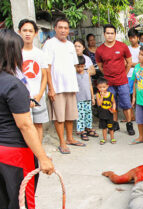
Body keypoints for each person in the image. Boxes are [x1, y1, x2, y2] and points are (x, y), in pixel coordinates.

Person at [0, 29, 54, 209]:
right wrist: (43, 157)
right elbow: (25, 125)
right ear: (14, 53)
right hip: (15, 151)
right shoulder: (13, 84)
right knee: (20, 199)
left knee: (9, 195)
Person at [43, 17, 85, 154]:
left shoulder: (70, 45)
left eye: (66, 28)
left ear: (68, 30)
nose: (63, 30)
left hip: (70, 86)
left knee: (69, 115)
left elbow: (73, 67)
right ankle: (62, 142)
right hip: (57, 87)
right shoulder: (49, 44)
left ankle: (70, 138)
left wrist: (74, 86)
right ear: (55, 28)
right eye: (60, 27)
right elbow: (47, 68)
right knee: (59, 116)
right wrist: (51, 88)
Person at [95, 24, 135, 135]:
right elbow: (100, 65)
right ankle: (114, 124)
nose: (110, 35)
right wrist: (108, 76)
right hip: (109, 84)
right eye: (107, 33)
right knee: (112, 104)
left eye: (112, 33)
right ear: (104, 34)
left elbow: (129, 62)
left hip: (122, 82)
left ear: (115, 34)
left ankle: (129, 125)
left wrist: (123, 74)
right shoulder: (100, 50)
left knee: (126, 105)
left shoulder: (122, 46)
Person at [18, 19, 49, 142]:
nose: (27, 33)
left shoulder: (40, 53)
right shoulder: (16, 53)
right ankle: (27, 153)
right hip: (21, 97)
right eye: (24, 30)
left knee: (38, 125)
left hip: (38, 96)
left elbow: (44, 75)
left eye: (30, 31)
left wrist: (40, 94)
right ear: (19, 32)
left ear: (35, 33)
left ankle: (38, 153)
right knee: (25, 126)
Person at [75, 56, 97, 141]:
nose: (80, 68)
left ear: (84, 66)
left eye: (81, 66)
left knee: (88, 113)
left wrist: (92, 97)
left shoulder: (87, 73)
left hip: (87, 97)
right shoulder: (74, 75)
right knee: (80, 115)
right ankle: (81, 130)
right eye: (78, 66)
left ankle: (88, 128)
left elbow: (90, 85)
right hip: (79, 98)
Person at [96, 77, 116, 145]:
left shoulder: (110, 95)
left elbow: (113, 103)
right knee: (104, 128)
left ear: (107, 86)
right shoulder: (98, 95)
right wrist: (101, 96)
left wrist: (113, 110)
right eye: (100, 87)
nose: (102, 89)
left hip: (109, 114)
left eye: (104, 87)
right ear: (97, 87)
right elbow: (99, 104)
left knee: (111, 127)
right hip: (102, 115)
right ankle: (104, 138)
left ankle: (112, 138)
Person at [126, 28, 140, 122]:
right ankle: (131, 115)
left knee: (139, 95)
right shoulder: (127, 48)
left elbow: (142, 62)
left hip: (140, 75)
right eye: (130, 38)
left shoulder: (141, 48)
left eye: (133, 37)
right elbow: (125, 62)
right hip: (128, 75)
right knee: (129, 95)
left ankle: (139, 115)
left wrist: (131, 63)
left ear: (137, 38)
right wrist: (132, 64)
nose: (132, 39)